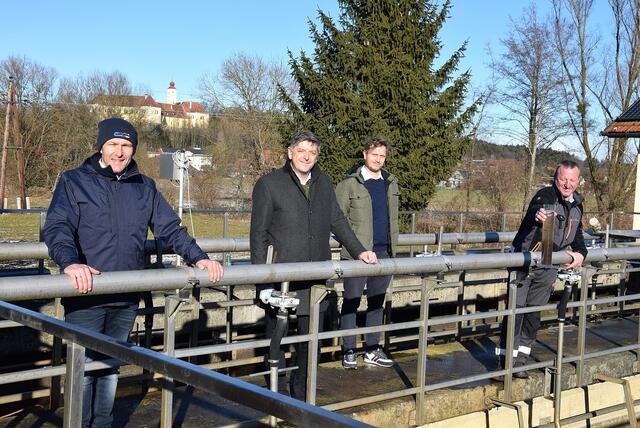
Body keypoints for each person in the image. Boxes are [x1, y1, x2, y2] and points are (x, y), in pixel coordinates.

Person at [43, 117, 223, 428]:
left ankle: (102, 425)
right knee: (83, 370)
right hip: (86, 292)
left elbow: (170, 228)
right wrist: (69, 262)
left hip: (126, 294)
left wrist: (200, 258)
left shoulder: (144, 186)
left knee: (110, 367)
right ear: (101, 146)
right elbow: (58, 227)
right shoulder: (74, 181)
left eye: (126, 145)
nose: (119, 151)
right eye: (113, 144)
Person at [250, 130, 378, 400]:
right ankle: (277, 393)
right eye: (301, 151)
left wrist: (360, 251)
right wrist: (261, 280)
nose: (307, 156)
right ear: (290, 152)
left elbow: (338, 221)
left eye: (312, 152)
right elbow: (258, 234)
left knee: (310, 342)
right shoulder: (269, 184)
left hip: (315, 278)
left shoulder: (323, 183)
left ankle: (302, 395)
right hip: (279, 277)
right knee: (276, 338)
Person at [496, 160, 587, 379]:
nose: (566, 184)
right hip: (525, 264)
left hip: (548, 267)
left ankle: (521, 362)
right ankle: (504, 365)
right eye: (562, 179)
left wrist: (580, 254)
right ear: (556, 179)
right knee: (515, 313)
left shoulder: (577, 205)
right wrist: (540, 215)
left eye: (571, 180)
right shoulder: (544, 196)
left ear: (578, 181)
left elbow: (578, 235)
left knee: (533, 315)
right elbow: (538, 209)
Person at [335, 137, 399, 369]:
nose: (378, 159)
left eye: (382, 155)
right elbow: (337, 220)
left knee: (376, 303)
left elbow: (391, 219)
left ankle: (372, 349)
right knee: (351, 302)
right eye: (374, 155)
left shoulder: (390, 182)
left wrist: (392, 250)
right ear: (364, 154)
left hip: (384, 253)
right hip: (356, 255)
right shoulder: (349, 184)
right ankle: (349, 349)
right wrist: (358, 249)